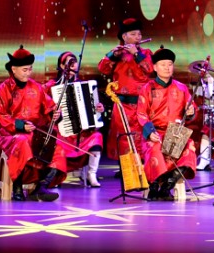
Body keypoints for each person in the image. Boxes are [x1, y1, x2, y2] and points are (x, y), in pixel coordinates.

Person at [0, 46, 66, 201]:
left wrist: (55, 114)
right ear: (13, 69)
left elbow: (49, 107)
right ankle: (17, 186)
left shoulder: (36, 87)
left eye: (30, 69)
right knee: (22, 141)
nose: (28, 73)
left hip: (34, 132)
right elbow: (1, 116)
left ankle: (42, 186)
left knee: (57, 146)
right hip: (10, 133)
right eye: (24, 70)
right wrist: (21, 126)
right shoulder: (3, 89)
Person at [135, 46, 198, 201]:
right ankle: (154, 185)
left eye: (170, 64)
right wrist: (150, 132)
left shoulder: (181, 88)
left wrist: (190, 112)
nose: (167, 68)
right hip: (155, 132)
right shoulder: (147, 88)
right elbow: (141, 114)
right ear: (155, 67)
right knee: (155, 147)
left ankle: (168, 185)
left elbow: (191, 110)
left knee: (189, 146)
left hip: (175, 132)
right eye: (163, 65)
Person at [43, 51, 105, 188]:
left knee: (97, 136)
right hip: (60, 130)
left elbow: (93, 108)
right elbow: (42, 106)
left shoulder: (82, 85)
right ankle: (56, 175)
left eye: (74, 62)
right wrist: (51, 113)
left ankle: (91, 174)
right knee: (56, 140)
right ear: (62, 66)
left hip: (81, 132)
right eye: (69, 62)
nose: (73, 65)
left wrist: (99, 108)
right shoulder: (51, 86)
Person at [98, 17, 154, 163]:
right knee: (123, 136)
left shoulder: (146, 53)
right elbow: (102, 68)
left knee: (141, 136)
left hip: (141, 104)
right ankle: (125, 168)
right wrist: (113, 55)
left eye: (139, 34)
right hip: (122, 105)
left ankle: (141, 167)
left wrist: (136, 54)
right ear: (124, 37)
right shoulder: (118, 54)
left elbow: (150, 69)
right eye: (133, 34)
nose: (138, 37)